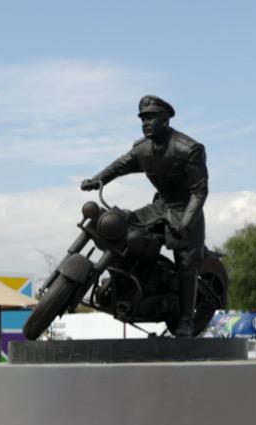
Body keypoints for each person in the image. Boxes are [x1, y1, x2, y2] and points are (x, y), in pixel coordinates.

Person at [81, 96, 208, 338]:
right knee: (120, 228)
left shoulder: (188, 149)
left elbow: (199, 191)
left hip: (184, 209)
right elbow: (120, 165)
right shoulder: (143, 148)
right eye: (143, 118)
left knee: (186, 262)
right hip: (159, 205)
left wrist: (186, 223)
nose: (145, 123)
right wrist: (98, 179)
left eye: (151, 117)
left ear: (165, 119)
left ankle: (186, 319)